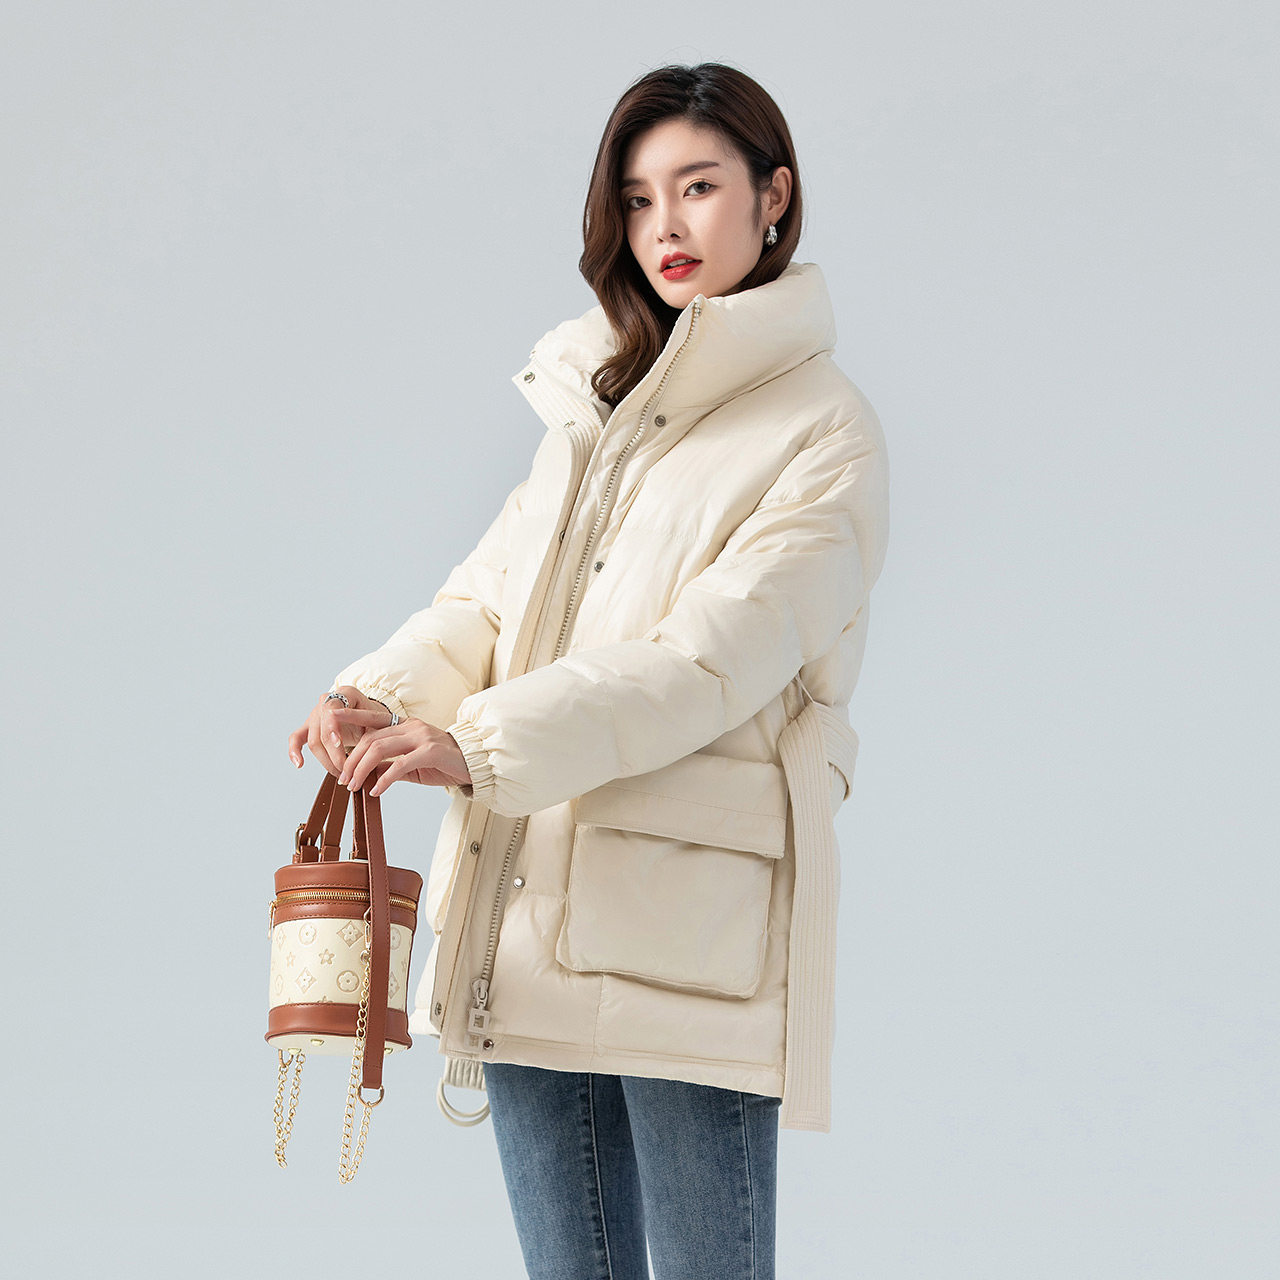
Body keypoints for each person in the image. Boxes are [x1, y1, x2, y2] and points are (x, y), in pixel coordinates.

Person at [288, 61, 889, 1280]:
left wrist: (476, 745)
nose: (665, 224)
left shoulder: (823, 433)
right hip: (520, 908)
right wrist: (381, 692)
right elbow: (486, 602)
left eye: (698, 186)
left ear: (773, 197)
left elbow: (702, 663)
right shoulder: (594, 412)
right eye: (636, 197)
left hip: (686, 939)